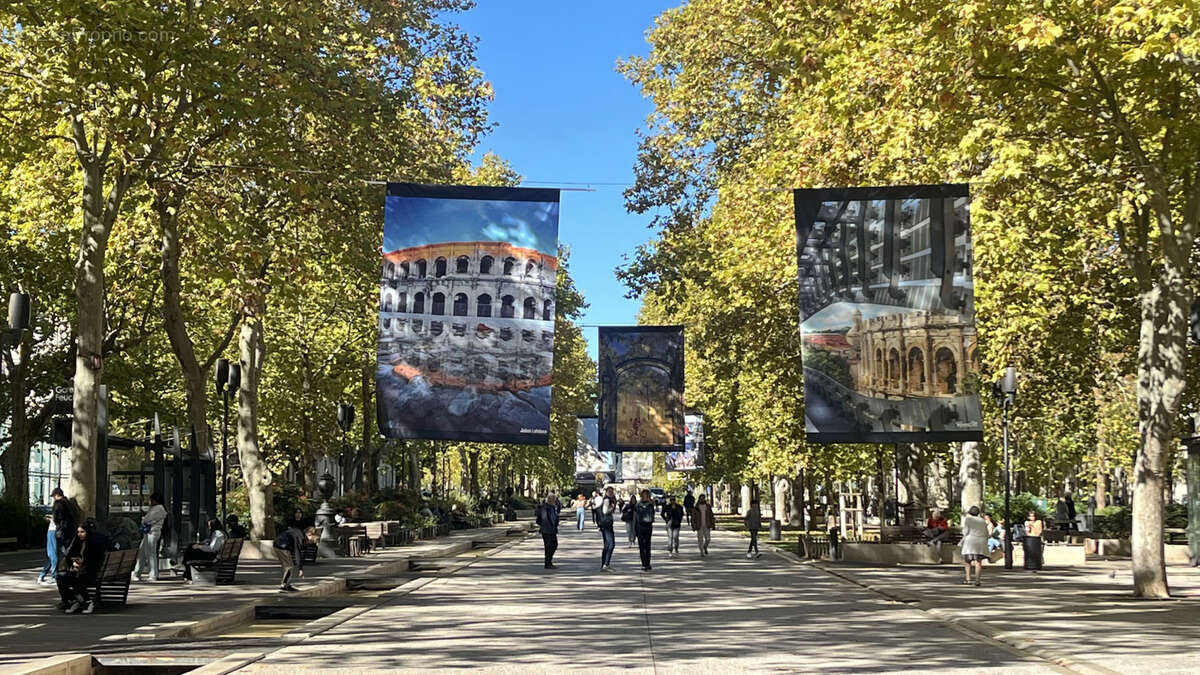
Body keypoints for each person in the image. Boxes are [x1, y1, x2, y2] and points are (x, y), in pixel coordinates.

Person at [56, 520, 109, 614]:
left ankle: (87, 601)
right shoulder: (77, 543)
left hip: (90, 572)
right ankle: (74, 600)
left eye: (82, 532)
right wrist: (73, 563)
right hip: (78, 570)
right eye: (78, 532)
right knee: (61, 578)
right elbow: (69, 556)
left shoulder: (94, 543)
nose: (79, 534)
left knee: (76, 579)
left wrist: (82, 564)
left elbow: (94, 560)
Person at [133, 492, 167, 582]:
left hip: (153, 532)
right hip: (149, 532)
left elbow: (146, 520)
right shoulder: (155, 508)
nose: (150, 501)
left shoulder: (159, 508)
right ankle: (137, 573)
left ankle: (153, 574)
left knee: (150, 553)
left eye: (152, 500)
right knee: (142, 553)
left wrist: (144, 520)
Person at [273, 525, 318, 592]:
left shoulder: (299, 533)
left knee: (289, 566)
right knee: (289, 567)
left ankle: (286, 584)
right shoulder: (300, 538)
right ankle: (284, 585)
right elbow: (297, 552)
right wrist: (300, 568)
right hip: (282, 547)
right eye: (313, 539)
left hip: (279, 544)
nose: (311, 541)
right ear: (309, 534)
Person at [960, 505, 989, 586]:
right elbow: (986, 533)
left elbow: (965, 531)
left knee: (967, 561)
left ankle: (968, 579)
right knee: (978, 562)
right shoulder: (982, 521)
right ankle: (977, 580)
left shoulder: (968, 519)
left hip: (970, 542)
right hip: (980, 542)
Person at [50, 488, 77, 566]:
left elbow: (56, 517)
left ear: (57, 495)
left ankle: (63, 565)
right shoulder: (70, 503)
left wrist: (54, 521)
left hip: (62, 528)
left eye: (54, 496)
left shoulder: (58, 504)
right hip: (71, 528)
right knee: (69, 547)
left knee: (59, 550)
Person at [536, 494, 560, 569]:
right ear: (549, 499)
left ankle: (549, 561)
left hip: (552, 529)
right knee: (548, 546)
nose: (554, 501)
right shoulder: (545, 508)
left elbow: (555, 517)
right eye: (553, 499)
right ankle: (547, 562)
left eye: (554, 499)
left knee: (554, 545)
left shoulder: (553, 507)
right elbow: (543, 518)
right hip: (546, 529)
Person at [634, 489, 656, 571]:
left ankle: (645, 563)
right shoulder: (649, 504)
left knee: (643, 546)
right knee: (646, 545)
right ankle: (646, 563)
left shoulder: (638, 504)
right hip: (646, 526)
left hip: (642, 526)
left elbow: (635, 516)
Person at [598, 486, 617, 571]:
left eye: (612, 491)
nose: (611, 493)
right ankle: (606, 563)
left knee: (607, 545)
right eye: (609, 491)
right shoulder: (607, 500)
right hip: (607, 524)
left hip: (605, 524)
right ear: (606, 492)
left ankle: (604, 564)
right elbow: (605, 511)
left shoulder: (606, 499)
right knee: (611, 544)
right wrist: (612, 507)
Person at [37, 508, 58, 586]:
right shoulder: (61, 506)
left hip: (53, 531)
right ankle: (53, 576)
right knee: (53, 555)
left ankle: (44, 574)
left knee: (52, 555)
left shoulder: (60, 506)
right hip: (54, 531)